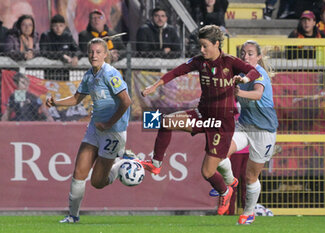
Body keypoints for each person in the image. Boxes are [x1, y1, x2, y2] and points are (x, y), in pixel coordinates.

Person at [140, 25, 260, 216]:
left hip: (222, 123)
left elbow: (254, 71)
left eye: (205, 46)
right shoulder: (199, 62)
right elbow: (176, 72)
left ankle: (225, 190)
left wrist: (244, 80)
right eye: (200, 46)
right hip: (202, 115)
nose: (202, 50)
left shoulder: (229, 61)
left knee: (207, 172)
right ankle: (156, 163)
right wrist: (155, 85)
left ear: (216, 44)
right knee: (164, 122)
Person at [46, 38, 131, 223]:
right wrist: (56, 102)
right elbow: (77, 99)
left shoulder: (111, 74)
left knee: (97, 182)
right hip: (95, 128)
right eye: (91, 52)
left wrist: (109, 124)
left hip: (113, 131)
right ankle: (72, 216)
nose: (94, 55)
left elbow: (126, 102)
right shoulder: (89, 75)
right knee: (79, 172)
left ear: (105, 54)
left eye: (98, 52)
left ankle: (121, 164)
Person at [224, 40, 278, 224]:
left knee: (250, 176)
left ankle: (248, 213)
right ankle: (230, 184)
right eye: (243, 53)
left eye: (250, 53)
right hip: (245, 126)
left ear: (259, 57)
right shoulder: (240, 73)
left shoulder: (260, 74)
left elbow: (257, 94)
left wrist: (238, 93)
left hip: (264, 130)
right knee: (220, 152)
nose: (245, 57)